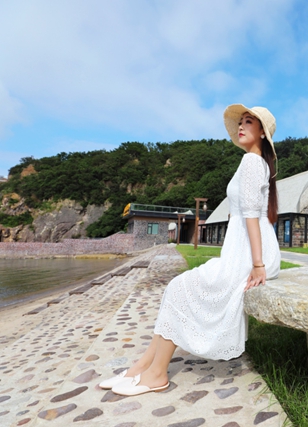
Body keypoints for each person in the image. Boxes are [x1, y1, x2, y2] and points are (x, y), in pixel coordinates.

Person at [99, 104, 281, 396]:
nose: (241, 126)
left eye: (249, 122)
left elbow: (250, 215)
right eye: (240, 122)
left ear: (262, 133)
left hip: (250, 253)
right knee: (177, 288)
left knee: (180, 288)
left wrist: (258, 264)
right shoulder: (254, 162)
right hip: (247, 248)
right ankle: (142, 367)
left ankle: (156, 373)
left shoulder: (252, 162)